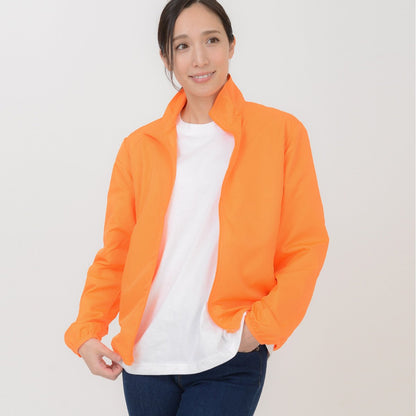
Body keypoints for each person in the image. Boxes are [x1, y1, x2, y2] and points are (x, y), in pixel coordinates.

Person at [64, 0, 329, 414]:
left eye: (212, 41)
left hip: (228, 354)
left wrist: (260, 328)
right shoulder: (139, 148)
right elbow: (118, 252)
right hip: (147, 359)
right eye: (183, 46)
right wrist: (87, 330)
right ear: (166, 58)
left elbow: (306, 245)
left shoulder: (280, 133)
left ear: (232, 45)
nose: (200, 59)